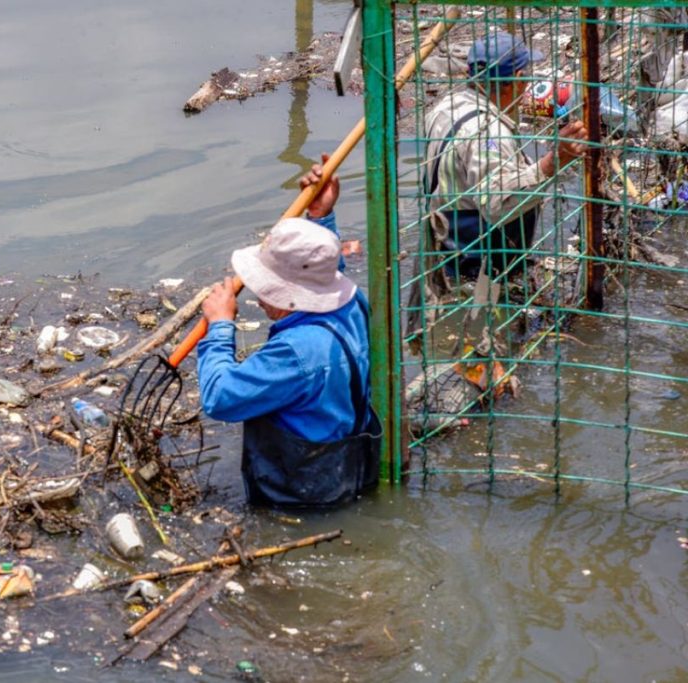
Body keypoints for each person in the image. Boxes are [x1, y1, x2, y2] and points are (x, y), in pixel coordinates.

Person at [195, 165, 381, 508]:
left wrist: (220, 326)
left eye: (267, 288)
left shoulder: (297, 352)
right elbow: (327, 272)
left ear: (291, 294)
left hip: (302, 493)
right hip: (354, 469)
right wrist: (320, 216)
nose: (258, 294)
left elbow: (219, 398)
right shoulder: (353, 303)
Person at [422, 31, 589, 281]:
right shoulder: (488, 131)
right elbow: (496, 205)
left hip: (441, 243)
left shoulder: (447, 105)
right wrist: (553, 161)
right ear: (518, 79)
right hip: (476, 263)